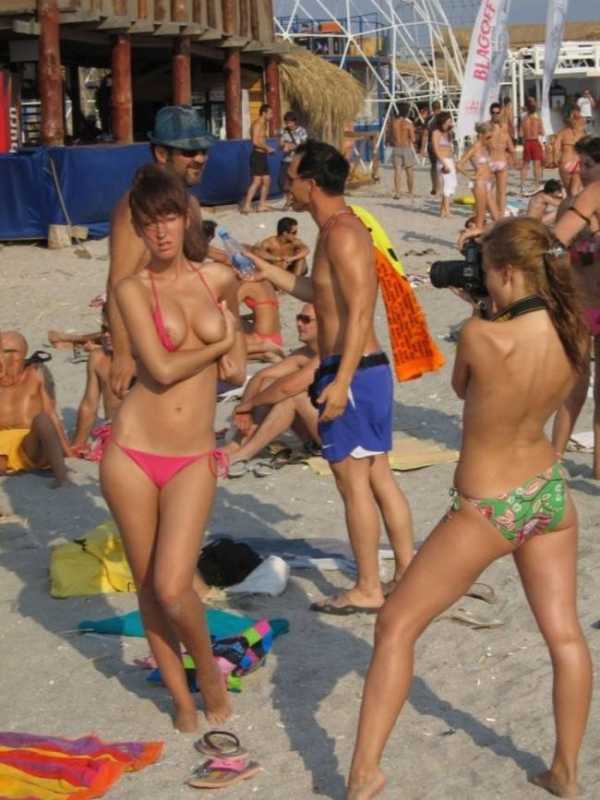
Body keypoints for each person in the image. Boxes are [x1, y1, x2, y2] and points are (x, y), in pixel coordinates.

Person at [347, 217, 592, 800]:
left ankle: (365, 773)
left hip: (488, 507)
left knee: (395, 624)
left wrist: (482, 311)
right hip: (547, 494)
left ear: (503, 272)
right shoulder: (574, 332)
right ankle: (565, 771)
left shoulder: (482, 335)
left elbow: (464, 389)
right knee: (565, 638)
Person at [99, 164, 246, 732]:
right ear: (138, 228)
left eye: (168, 217)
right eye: (148, 222)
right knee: (149, 587)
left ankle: (207, 669)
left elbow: (239, 362)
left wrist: (235, 352)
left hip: (192, 455)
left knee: (172, 584)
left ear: (187, 218)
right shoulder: (132, 289)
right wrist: (217, 347)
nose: (160, 231)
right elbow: (159, 369)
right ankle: (183, 700)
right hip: (133, 451)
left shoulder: (220, 278)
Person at [244, 140, 414, 612]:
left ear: (312, 183)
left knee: (352, 482)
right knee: (377, 476)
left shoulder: (342, 232)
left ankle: (368, 587)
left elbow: (360, 311)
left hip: (353, 371)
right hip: (360, 370)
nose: (286, 183)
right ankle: (404, 572)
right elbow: (315, 291)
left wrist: (340, 382)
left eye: (291, 176)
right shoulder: (334, 230)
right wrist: (262, 269)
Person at [107, 105, 221, 399]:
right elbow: (119, 281)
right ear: (161, 153)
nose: (200, 159)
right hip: (150, 345)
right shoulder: (137, 207)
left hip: (187, 343)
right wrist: (122, 354)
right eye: (189, 152)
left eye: (203, 151)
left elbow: (193, 253)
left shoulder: (188, 203)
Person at [552, 136, 600, 478]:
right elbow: (558, 250)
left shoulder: (590, 197)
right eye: (580, 164)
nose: (581, 171)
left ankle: (598, 467)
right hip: (580, 304)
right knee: (574, 388)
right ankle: (553, 459)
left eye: (589, 165)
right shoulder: (570, 205)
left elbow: (555, 242)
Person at [225, 304, 320, 474]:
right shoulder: (304, 354)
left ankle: (244, 454)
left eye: (306, 320)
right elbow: (261, 377)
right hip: (320, 430)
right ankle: (238, 444)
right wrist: (244, 412)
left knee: (292, 396)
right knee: (268, 385)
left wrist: (247, 405)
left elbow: (286, 389)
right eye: (298, 318)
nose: (299, 324)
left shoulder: (331, 355)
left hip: (348, 437)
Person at [0, 331, 70, 486]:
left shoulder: (37, 372)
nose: (7, 356)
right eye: (3, 351)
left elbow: (51, 413)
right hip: (2, 441)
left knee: (42, 419)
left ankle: (62, 479)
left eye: (11, 351)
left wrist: (67, 450)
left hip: (30, 442)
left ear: (23, 354)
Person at [70, 308, 121, 459]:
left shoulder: (142, 361)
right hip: (112, 430)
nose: (106, 335)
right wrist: (78, 443)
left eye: (112, 330)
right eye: (104, 330)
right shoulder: (98, 358)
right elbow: (89, 404)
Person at [457, 122, 499, 230]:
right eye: (488, 137)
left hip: (488, 183)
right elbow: (459, 165)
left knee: (497, 217)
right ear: (481, 135)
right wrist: (470, 176)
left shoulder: (485, 147)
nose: (490, 139)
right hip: (479, 183)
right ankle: (473, 235)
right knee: (481, 217)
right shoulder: (473, 148)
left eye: (491, 137)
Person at [238, 279, 284, 362]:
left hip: (261, 339)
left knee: (222, 346)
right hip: (277, 338)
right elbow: (266, 311)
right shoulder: (266, 282)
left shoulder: (246, 286)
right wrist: (244, 317)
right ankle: (264, 354)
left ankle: (261, 348)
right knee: (240, 321)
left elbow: (228, 308)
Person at [241, 104, 274, 214]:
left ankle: (261, 205)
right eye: (270, 113)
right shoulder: (257, 124)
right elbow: (255, 141)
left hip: (262, 156)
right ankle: (246, 206)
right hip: (257, 156)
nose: (272, 116)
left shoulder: (264, 124)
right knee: (256, 181)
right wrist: (267, 148)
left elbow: (261, 140)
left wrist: (266, 150)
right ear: (264, 113)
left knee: (267, 180)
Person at [488, 101, 515, 217]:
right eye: (493, 113)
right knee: (489, 189)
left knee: (501, 190)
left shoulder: (504, 127)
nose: (495, 115)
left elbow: (510, 145)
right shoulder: (487, 126)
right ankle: (493, 210)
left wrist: (513, 158)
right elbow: (480, 144)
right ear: (490, 113)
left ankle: (501, 212)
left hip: (501, 160)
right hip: (490, 160)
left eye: (497, 113)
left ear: (500, 113)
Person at [279, 111, 308, 208]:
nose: (288, 125)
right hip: (286, 159)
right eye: (287, 122)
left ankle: (290, 201)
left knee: (295, 181)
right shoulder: (284, 131)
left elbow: (304, 145)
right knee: (281, 181)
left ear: (295, 122)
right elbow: (280, 144)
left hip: (297, 160)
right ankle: (290, 198)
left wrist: (293, 146)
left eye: (290, 122)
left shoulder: (302, 131)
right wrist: (283, 145)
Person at [388, 103, 416, 200]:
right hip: (406, 148)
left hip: (396, 148)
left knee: (397, 171)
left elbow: (390, 136)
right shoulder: (408, 124)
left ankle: (397, 193)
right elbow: (413, 139)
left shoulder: (394, 123)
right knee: (409, 171)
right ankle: (410, 192)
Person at [431, 112, 457, 217]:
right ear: (443, 121)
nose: (451, 123)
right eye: (449, 121)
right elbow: (436, 149)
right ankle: (447, 210)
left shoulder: (449, 132)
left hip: (450, 160)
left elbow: (450, 147)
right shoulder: (436, 132)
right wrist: (443, 163)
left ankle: (442, 211)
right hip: (443, 160)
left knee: (452, 184)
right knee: (447, 185)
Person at [554, 111, 585, 198]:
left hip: (565, 162)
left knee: (569, 192)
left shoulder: (562, 133)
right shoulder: (583, 134)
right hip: (578, 163)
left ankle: (570, 204)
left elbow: (556, 148)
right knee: (576, 191)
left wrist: (556, 159)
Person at [520, 96, 545, 192]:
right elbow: (542, 132)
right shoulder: (537, 118)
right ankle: (537, 185)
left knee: (525, 165)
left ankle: (522, 185)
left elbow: (521, 133)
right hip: (535, 141)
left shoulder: (524, 118)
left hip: (527, 142)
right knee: (536, 165)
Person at [421, 100, 442, 195]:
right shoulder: (445, 117)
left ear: (432, 109)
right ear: (440, 107)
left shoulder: (429, 119)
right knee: (442, 166)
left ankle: (435, 186)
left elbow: (425, 134)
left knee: (433, 166)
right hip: (441, 144)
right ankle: (441, 187)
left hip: (431, 144)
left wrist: (422, 148)